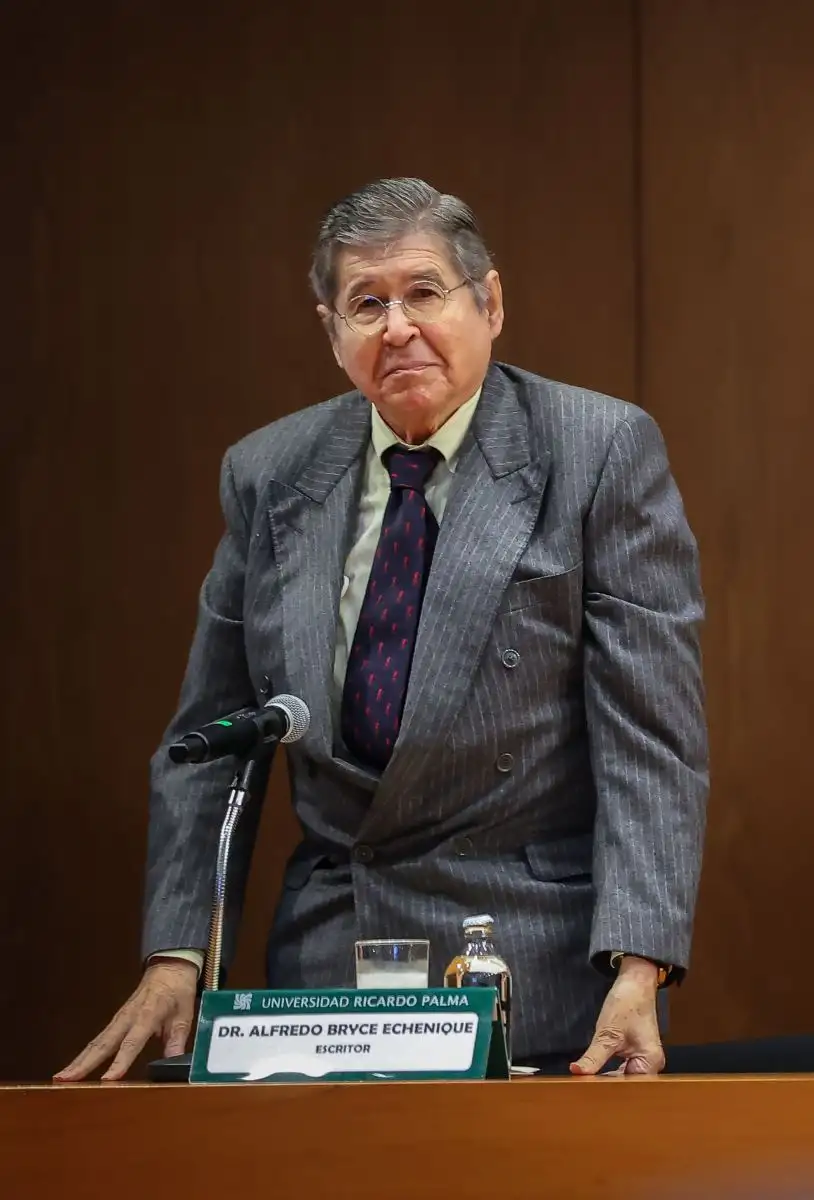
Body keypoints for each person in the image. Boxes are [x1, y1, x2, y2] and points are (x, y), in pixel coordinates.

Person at [57, 178, 707, 1081]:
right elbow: (209, 742)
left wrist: (641, 965)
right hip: (335, 967)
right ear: (332, 332)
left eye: (424, 293)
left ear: (491, 303)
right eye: (367, 303)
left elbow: (651, 741)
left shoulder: (595, 450)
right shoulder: (271, 473)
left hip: (531, 961)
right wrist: (181, 953)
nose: (397, 326)